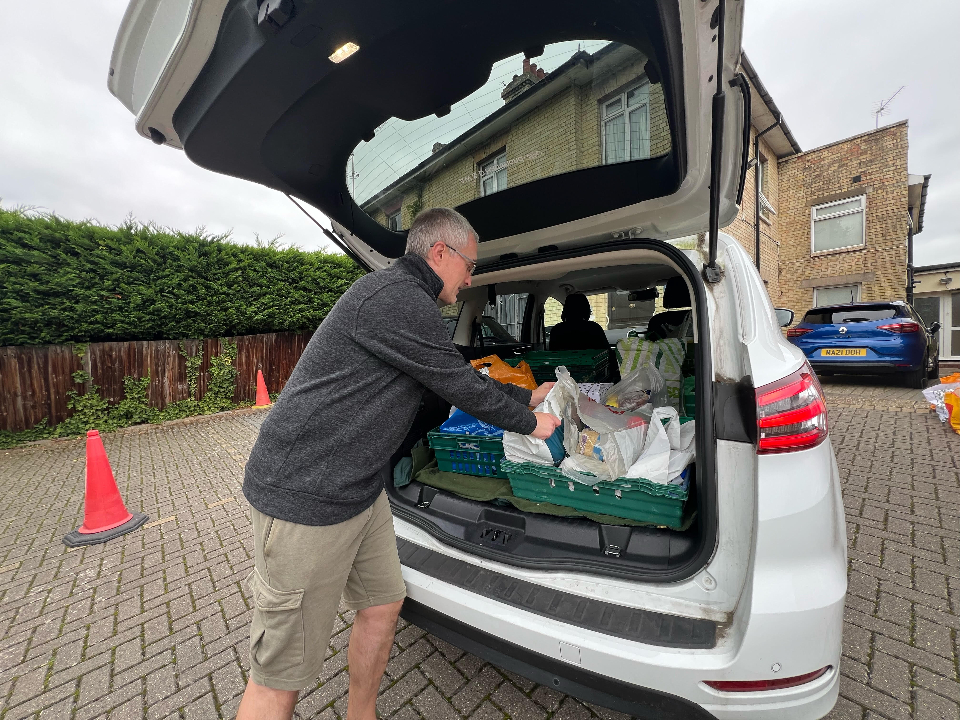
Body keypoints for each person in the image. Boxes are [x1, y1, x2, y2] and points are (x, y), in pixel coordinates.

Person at [236, 207, 560, 720]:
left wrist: (524, 401)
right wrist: (530, 422)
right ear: (439, 252)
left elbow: (454, 373)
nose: (471, 277)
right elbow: (458, 383)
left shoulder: (408, 302)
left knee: (384, 605)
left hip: (360, 491)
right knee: (280, 676)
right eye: (469, 264)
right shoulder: (396, 299)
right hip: (306, 496)